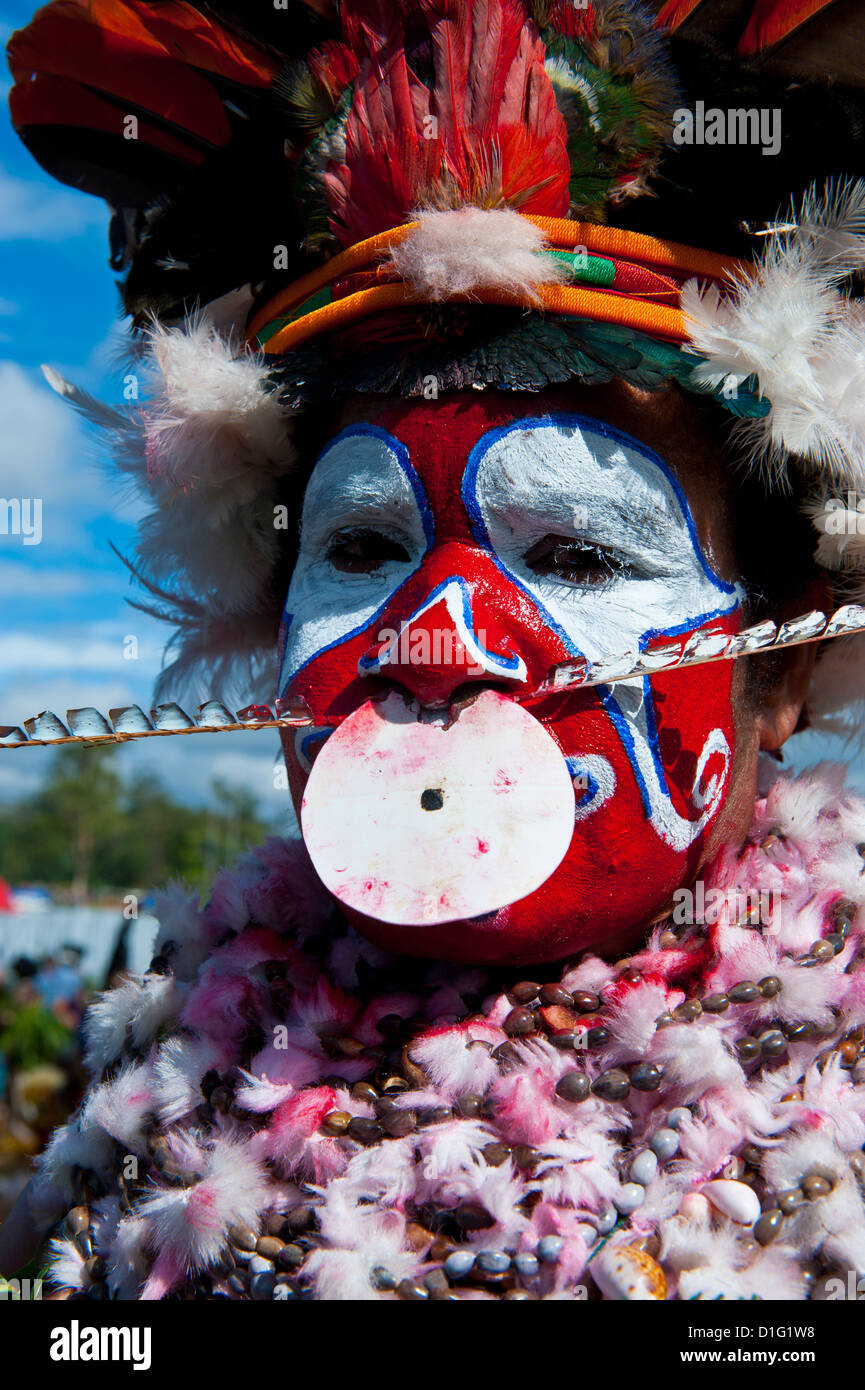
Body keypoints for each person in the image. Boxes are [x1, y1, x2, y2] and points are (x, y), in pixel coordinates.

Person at [2, 0, 865, 1300]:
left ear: (782, 660)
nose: (433, 639)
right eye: (358, 547)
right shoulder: (144, 1114)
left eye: (575, 551)